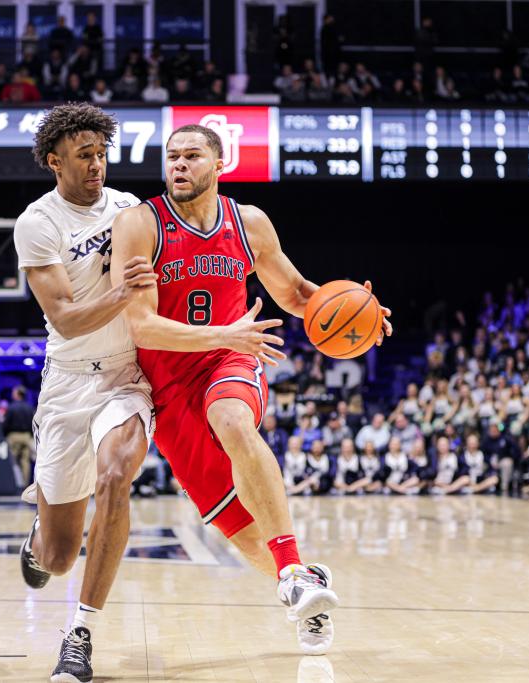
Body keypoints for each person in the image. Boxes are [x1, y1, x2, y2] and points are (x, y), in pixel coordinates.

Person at [111, 123, 393, 655]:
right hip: (167, 382)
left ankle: (291, 567)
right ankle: (302, 580)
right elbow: (141, 326)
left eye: (192, 156)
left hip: (231, 357)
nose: (179, 165)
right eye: (172, 156)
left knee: (232, 420)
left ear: (221, 165)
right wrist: (227, 329)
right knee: (235, 525)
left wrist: (356, 307)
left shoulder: (249, 223)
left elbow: (297, 294)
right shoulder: (140, 224)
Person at [13, 103, 156, 683]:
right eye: (83, 156)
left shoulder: (129, 209)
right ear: (54, 161)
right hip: (69, 380)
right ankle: (39, 534)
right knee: (58, 557)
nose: (97, 165)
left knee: (116, 474)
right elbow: (66, 319)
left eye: (102, 154)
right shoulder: (38, 222)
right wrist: (123, 293)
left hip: (126, 373)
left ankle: (80, 633)